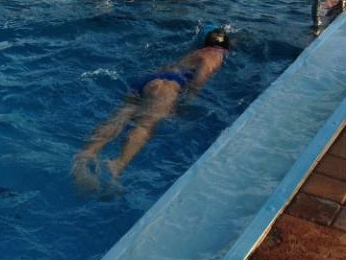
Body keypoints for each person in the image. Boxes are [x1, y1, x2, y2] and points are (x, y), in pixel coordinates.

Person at [72, 28, 231, 188]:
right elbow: (198, 81)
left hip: (147, 81)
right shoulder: (216, 55)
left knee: (120, 116)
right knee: (146, 125)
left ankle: (87, 154)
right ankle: (117, 165)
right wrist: (186, 103)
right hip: (168, 86)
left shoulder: (195, 53)